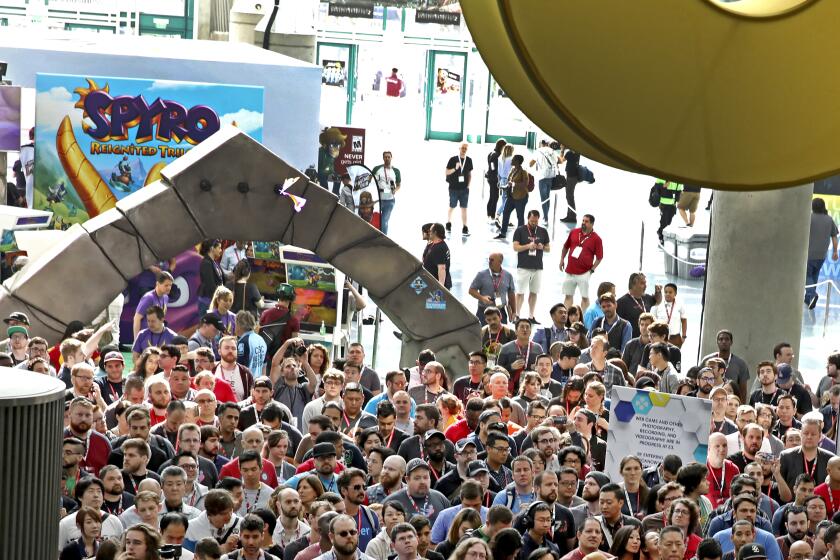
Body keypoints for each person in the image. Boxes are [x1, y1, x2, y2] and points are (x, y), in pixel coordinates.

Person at [384, 458, 451, 525]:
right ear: (407, 479)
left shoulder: (440, 498)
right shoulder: (392, 501)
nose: (422, 482)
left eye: (425, 477)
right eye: (417, 478)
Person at [512, 210, 551, 323]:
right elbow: (515, 247)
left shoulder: (543, 231)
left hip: (537, 267)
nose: (533, 222)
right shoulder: (520, 230)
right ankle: (517, 315)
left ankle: (531, 316)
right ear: (528, 218)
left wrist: (542, 247)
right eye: (532, 220)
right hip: (523, 266)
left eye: (536, 220)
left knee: (534, 292)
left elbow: (548, 248)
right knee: (520, 292)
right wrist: (528, 246)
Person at [560, 214, 603, 310]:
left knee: (584, 297)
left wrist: (592, 270)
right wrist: (562, 260)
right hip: (570, 271)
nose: (583, 223)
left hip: (584, 273)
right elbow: (565, 247)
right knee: (568, 296)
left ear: (592, 224)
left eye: (586, 221)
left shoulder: (597, 239)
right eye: (583, 220)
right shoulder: (574, 232)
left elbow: (599, 257)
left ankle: (585, 320)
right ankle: (567, 318)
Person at [806, 197, 839, 308]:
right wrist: (835, 252)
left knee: (807, 275)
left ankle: (812, 294)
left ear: (813, 206)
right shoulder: (829, 219)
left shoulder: (809, 218)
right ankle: (808, 299)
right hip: (822, 255)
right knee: (815, 275)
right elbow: (834, 237)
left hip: (809, 254)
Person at [701, 330, 750, 403]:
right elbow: (699, 380)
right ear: (717, 342)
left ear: (731, 342)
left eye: (727, 339)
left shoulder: (740, 363)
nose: (724, 341)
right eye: (720, 339)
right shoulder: (707, 360)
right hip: (708, 400)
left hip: (730, 403)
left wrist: (740, 407)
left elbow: (743, 391)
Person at [469, 253, 516, 325]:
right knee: (484, 334)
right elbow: (471, 290)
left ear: (500, 262)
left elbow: (511, 295)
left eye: (492, 260)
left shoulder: (508, 276)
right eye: (489, 259)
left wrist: (514, 312)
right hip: (484, 311)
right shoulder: (481, 275)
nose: (489, 262)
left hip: (500, 311)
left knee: (501, 334)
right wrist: (482, 298)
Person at [495, 154, 531, 239]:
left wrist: (514, 184)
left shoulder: (523, 172)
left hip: (521, 197)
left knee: (520, 216)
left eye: (513, 159)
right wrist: (504, 187)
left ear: (518, 162)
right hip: (511, 197)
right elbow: (509, 182)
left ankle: (520, 236)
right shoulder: (512, 169)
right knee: (505, 213)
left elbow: (525, 184)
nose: (511, 161)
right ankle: (503, 233)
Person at [133, 271, 174, 339]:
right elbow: (137, 318)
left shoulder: (166, 297)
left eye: (170, 285)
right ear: (157, 284)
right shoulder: (149, 298)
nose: (169, 288)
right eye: (166, 285)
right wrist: (136, 341)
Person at [445, 143, 474, 236]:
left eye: (466, 148)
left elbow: (469, 174)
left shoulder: (469, 160)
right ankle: (448, 222)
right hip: (453, 188)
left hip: (464, 189)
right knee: (452, 206)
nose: (464, 149)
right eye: (462, 148)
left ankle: (465, 227)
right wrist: (455, 168)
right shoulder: (453, 159)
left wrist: (468, 185)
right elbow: (446, 172)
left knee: (464, 208)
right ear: (459, 148)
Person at [372, 151, 402, 235]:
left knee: (384, 221)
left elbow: (399, 185)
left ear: (391, 158)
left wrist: (394, 190)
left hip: (389, 200)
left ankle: (383, 238)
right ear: (383, 158)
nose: (387, 158)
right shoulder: (377, 168)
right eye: (385, 157)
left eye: (389, 157)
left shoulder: (396, 171)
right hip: (378, 199)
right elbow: (370, 179)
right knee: (375, 220)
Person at [650, 284, 687, 348]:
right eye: (666, 292)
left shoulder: (680, 305)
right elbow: (652, 321)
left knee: (674, 356)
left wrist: (683, 336)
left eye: (670, 292)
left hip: (675, 337)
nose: (667, 294)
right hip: (660, 337)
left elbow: (684, 320)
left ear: (675, 293)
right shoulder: (658, 305)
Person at [197, 240, 224, 317]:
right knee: (205, 324)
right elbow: (210, 285)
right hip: (207, 300)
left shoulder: (213, 262)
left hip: (213, 299)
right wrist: (220, 298)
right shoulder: (206, 263)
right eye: (219, 248)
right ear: (212, 248)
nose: (221, 250)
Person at [423, 223, 452, 289]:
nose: (428, 232)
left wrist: (440, 287)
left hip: (435, 286)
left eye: (430, 231)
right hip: (430, 283)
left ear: (435, 232)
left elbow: (442, 268)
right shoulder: (434, 244)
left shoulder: (440, 248)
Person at [654, 179, 683, 244]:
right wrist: (664, 186)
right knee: (664, 221)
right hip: (664, 203)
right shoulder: (662, 177)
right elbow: (656, 188)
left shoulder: (678, 179)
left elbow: (679, 190)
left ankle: (660, 231)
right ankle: (661, 236)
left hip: (672, 204)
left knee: (669, 222)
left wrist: (679, 197)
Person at [486, 139, 507, 225]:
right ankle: (491, 216)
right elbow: (493, 167)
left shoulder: (492, 153)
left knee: (493, 197)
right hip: (494, 179)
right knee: (494, 197)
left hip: (492, 178)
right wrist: (497, 176)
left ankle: (490, 215)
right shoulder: (496, 155)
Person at [558, 144, 580, 223]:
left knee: (569, 197)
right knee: (570, 196)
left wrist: (562, 150)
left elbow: (560, 161)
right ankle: (570, 215)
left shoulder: (569, 153)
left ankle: (572, 217)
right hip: (574, 177)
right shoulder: (578, 153)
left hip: (571, 177)